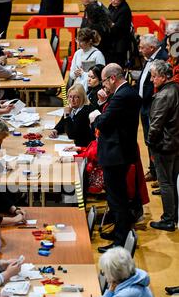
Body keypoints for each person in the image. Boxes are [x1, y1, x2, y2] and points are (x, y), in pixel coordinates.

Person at [90, 64, 141, 252]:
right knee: (115, 199)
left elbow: (103, 122)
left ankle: (120, 242)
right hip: (119, 153)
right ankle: (120, 232)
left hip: (116, 155)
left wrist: (96, 115)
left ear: (112, 78)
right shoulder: (126, 93)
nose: (104, 86)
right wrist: (104, 104)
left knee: (117, 200)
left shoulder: (122, 95)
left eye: (104, 81)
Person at [148, 60, 179, 232]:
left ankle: (168, 219)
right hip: (175, 143)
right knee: (173, 181)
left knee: (165, 183)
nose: (152, 80)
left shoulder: (163, 96)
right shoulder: (176, 89)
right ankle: (174, 215)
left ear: (163, 76)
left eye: (154, 77)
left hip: (164, 146)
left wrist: (150, 143)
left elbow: (155, 125)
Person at [136, 34, 168, 183]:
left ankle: (158, 173)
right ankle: (153, 169)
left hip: (152, 105)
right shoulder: (149, 57)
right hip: (144, 104)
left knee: (153, 139)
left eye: (142, 47)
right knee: (148, 138)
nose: (140, 49)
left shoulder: (161, 58)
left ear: (152, 48)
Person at [49, 83, 95, 148]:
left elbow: (72, 135)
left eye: (76, 97)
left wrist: (67, 115)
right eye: (70, 97)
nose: (72, 100)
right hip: (75, 144)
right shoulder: (74, 107)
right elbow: (63, 122)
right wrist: (56, 130)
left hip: (84, 148)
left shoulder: (85, 111)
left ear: (82, 97)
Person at [107, 0, 132, 67]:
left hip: (120, 45)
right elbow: (108, 21)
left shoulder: (125, 9)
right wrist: (111, 24)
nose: (112, 0)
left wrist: (111, 24)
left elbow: (117, 29)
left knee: (117, 66)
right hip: (112, 42)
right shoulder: (111, 6)